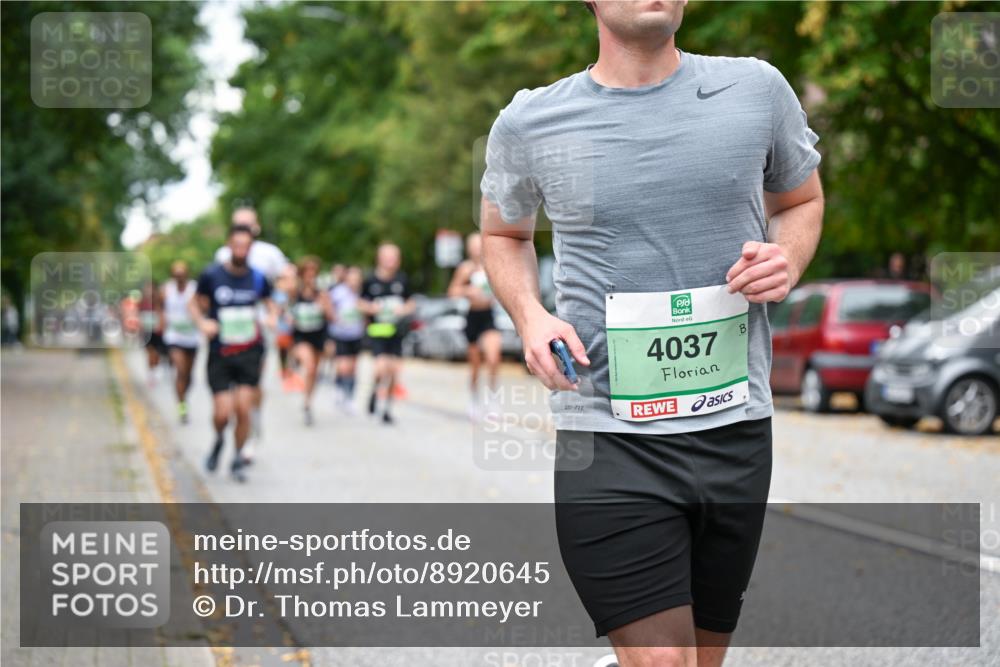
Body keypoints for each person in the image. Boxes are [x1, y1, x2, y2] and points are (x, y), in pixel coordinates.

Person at [479, 2, 824, 665]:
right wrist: (530, 314)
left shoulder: (755, 91)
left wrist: (790, 256)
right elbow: (503, 234)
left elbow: (801, 202)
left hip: (734, 427)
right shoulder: (530, 121)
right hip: (610, 435)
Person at [192, 224, 276, 483]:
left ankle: (238, 456)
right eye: (236, 245)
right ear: (229, 245)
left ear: (251, 248)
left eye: (246, 245)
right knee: (222, 412)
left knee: (243, 409)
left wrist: (272, 317)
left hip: (250, 351)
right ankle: (219, 440)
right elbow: (195, 302)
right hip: (220, 352)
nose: (241, 250)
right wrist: (203, 323)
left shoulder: (258, 278)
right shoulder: (212, 275)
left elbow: (271, 303)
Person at [213, 206, 287, 459]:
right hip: (226, 335)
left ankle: (252, 425)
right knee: (228, 395)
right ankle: (234, 425)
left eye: (248, 224)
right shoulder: (222, 254)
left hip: (257, 332)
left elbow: (288, 281)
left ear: (256, 227)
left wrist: (275, 312)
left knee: (253, 386)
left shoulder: (270, 254)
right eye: (238, 224)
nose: (243, 228)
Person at [448, 232, 503, 418]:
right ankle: (473, 399)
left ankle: (493, 399)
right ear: (468, 248)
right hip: (472, 317)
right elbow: (452, 291)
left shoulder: (493, 266)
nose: (477, 249)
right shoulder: (466, 269)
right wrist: (467, 290)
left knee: (494, 358)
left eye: (480, 245)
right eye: (473, 245)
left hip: (489, 317)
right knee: (475, 365)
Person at [360, 243, 415, 425]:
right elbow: (360, 302)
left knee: (394, 371)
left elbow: (411, 303)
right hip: (378, 331)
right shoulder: (370, 280)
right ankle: (375, 390)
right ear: (380, 258)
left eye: (394, 257)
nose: (391, 261)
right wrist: (371, 308)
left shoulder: (402, 280)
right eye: (388, 257)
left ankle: (387, 409)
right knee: (380, 367)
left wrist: (403, 309)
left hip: (397, 332)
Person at [290, 256, 334, 425]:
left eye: (313, 272)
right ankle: (295, 361)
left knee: (313, 371)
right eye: (307, 272)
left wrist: (325, 307)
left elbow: (331, 316)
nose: (310, 276)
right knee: (308, 365)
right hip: (301, 335)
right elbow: (285, 311)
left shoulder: (321, 294)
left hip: (318, 335)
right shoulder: (295, 292)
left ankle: (307, 402)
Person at [161, 261, 200, 424]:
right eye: (176, 274)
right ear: (172, 275)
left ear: (187, 274)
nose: (179, 277)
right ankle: (182, 406)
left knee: (189, 376)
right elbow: (160, 307)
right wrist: (161, 323)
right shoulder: (166, 290)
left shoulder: (195, 288)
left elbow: (203, 305)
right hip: (174, 337)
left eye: (182, 274)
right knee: (181, 371)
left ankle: (184, 394)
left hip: (192, 337)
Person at [328, 266, 366, 413]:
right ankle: (340, 388)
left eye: (357, 279)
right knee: (343, 366)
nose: (355, 282)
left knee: (353, 368)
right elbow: (328, 307)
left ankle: (350, 397)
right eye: (352, 278)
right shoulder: (338, 292)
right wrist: (334, 318)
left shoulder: (362, 293)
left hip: (356, 334)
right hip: (340, 334)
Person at [272, 263, 301, 390]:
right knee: (284, 351)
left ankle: (292, 373)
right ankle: (286, 374)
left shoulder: (297, 290)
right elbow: (277, 308)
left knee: (295, 352)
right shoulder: (278, 291)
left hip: (297, 327)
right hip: (283, 327)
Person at [139, 282, 165, 386]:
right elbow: (138, 316)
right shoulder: (142, 303)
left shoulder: (159, 302)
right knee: (150, 352)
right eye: (147, 289)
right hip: (147, 331)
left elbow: (163, 314)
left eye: (151, 289)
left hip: (157, 331)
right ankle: (151, 373)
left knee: (157, 353)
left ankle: (155, 369)